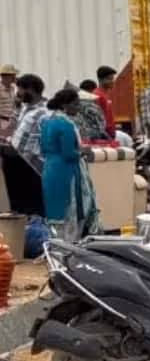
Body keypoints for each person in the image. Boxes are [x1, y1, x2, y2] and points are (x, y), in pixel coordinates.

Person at [41, 89, 98, 242]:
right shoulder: (66, 125)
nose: (78, 107)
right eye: (75, 104)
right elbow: (68, 154)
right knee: (71, 209)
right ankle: (70, 246)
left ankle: (55, 245)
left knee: (54, 210)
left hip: (50, 169)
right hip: (67, 171)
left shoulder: (47, 122)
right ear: (65, 105)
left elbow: (43, 149)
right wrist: (83, 151)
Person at [10, 74, 51, 169]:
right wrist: (17, 108)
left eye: (20, 89)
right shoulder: (26, 108)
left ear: (31, 89)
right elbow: (16, 130)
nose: (18, 93)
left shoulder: (45, 112)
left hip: (32, 167)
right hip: (17, 162)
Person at [93, 66, 117, 139]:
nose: (113, 81)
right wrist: (107, 136)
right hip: (105, 137)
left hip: (109, 135)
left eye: (113, 78)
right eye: (109, 79)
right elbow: (99, 120)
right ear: (100, 80)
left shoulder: (105, 94)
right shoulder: (98, 95)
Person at [1, 64, 19, 139]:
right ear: (5, 76)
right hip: (2, 121)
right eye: (13, 75)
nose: (14, 77)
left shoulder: (12, 88)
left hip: (11, 121)